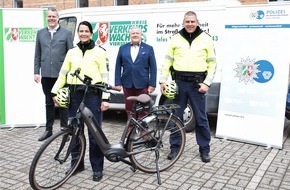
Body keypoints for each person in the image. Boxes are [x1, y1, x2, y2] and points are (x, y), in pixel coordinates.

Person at [52, 21, 110, 182]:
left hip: (93, 95)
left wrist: (105, 98)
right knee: (75, 132)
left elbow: (105, 76)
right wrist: (54, 90)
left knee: (94, 134)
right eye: (81, 31)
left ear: (91, 34)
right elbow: (63, 74)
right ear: (78, 33)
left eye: (86, 31)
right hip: (75, 95)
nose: (83, 33)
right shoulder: (71, 52)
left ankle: (97, 168)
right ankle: (77, 165)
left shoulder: (100, 52)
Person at [159, 11, 217, 163]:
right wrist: (162, 81)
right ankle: (175, 148)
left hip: (197, 85)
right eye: (187, 21)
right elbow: (167, 61)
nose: (190, 24)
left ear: (197, 22)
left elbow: (212, 63)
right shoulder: (175, 39)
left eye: (192, 21)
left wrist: (207, 83)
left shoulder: (206, 39)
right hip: (179, 84)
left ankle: (204, 150)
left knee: (201, 118)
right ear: (183, 23)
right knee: (176, 118)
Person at [34, 7, 73, 141]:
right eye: (49, 16)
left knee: (63, 103)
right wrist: (36, 72)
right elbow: (37, 54)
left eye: (53, 16)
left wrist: (70, 73)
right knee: (48, 102)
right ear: (47, 18)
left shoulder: (66, 33)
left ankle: (64, 130)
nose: (51, 18)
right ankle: (48, 129)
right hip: (46, 74)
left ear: (57, 18)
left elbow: (71, 55)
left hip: (61, 75)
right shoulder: (40, 33)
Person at [114, 26, 157, 121]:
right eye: (133, 33)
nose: (135, 35)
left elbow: (153, 68)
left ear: (141, 35)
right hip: (127, 84)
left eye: (137, 33)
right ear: (130, 35)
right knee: (129, 109)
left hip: (143, 85)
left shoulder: (148, 49)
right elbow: (117, 66)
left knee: (144, 109)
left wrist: (152, 84)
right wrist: (118, 83)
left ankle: (143, 131)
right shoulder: (122, 48)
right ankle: (131, 130)